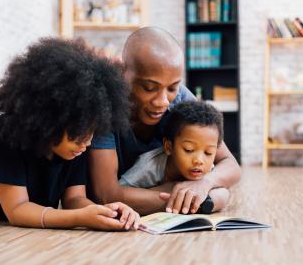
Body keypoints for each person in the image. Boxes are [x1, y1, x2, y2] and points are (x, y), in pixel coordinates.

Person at [0, 38, 140, 231]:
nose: (87, 143)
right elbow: (17, 209)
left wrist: (106, 212)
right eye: (80, 134)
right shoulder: (5, 133)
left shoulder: (76, 147)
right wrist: (80, 218)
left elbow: (75, 199)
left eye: (92, 132)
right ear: (51, 119)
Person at [88, 27, 241, 215]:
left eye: (172, 88)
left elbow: (230, 164)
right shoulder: (105, 104)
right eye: (149, 88)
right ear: (123, 73)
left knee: (221, 194)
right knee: (220, 196)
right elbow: (105, 194)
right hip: (127, 194)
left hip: (144, 197)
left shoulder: (181, 99)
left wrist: (204, 184)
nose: (162, 101)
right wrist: (182, 195)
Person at [119, 101, 230, 213]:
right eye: (189, 150)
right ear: (169, 147)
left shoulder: (208, 169)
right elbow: (118, 192)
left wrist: (203, 191)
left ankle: (196, 205)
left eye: (208, 152)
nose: (199, 161)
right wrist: (165, 189)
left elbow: (224, 194)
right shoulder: (148, 166)